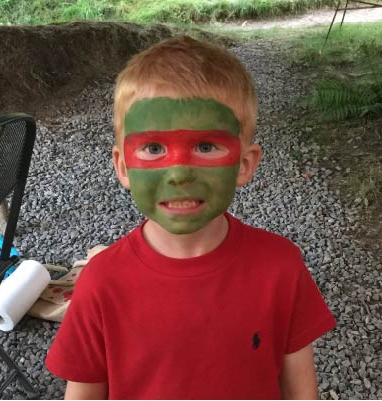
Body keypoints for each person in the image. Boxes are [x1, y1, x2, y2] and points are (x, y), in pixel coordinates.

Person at [45, 35, 336, 400]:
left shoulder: (282, 269)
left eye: (205, 146)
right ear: (122, 167)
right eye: (153, 148)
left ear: (244, 164)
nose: (180, 172)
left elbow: (300, 392)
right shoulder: (101, 285)